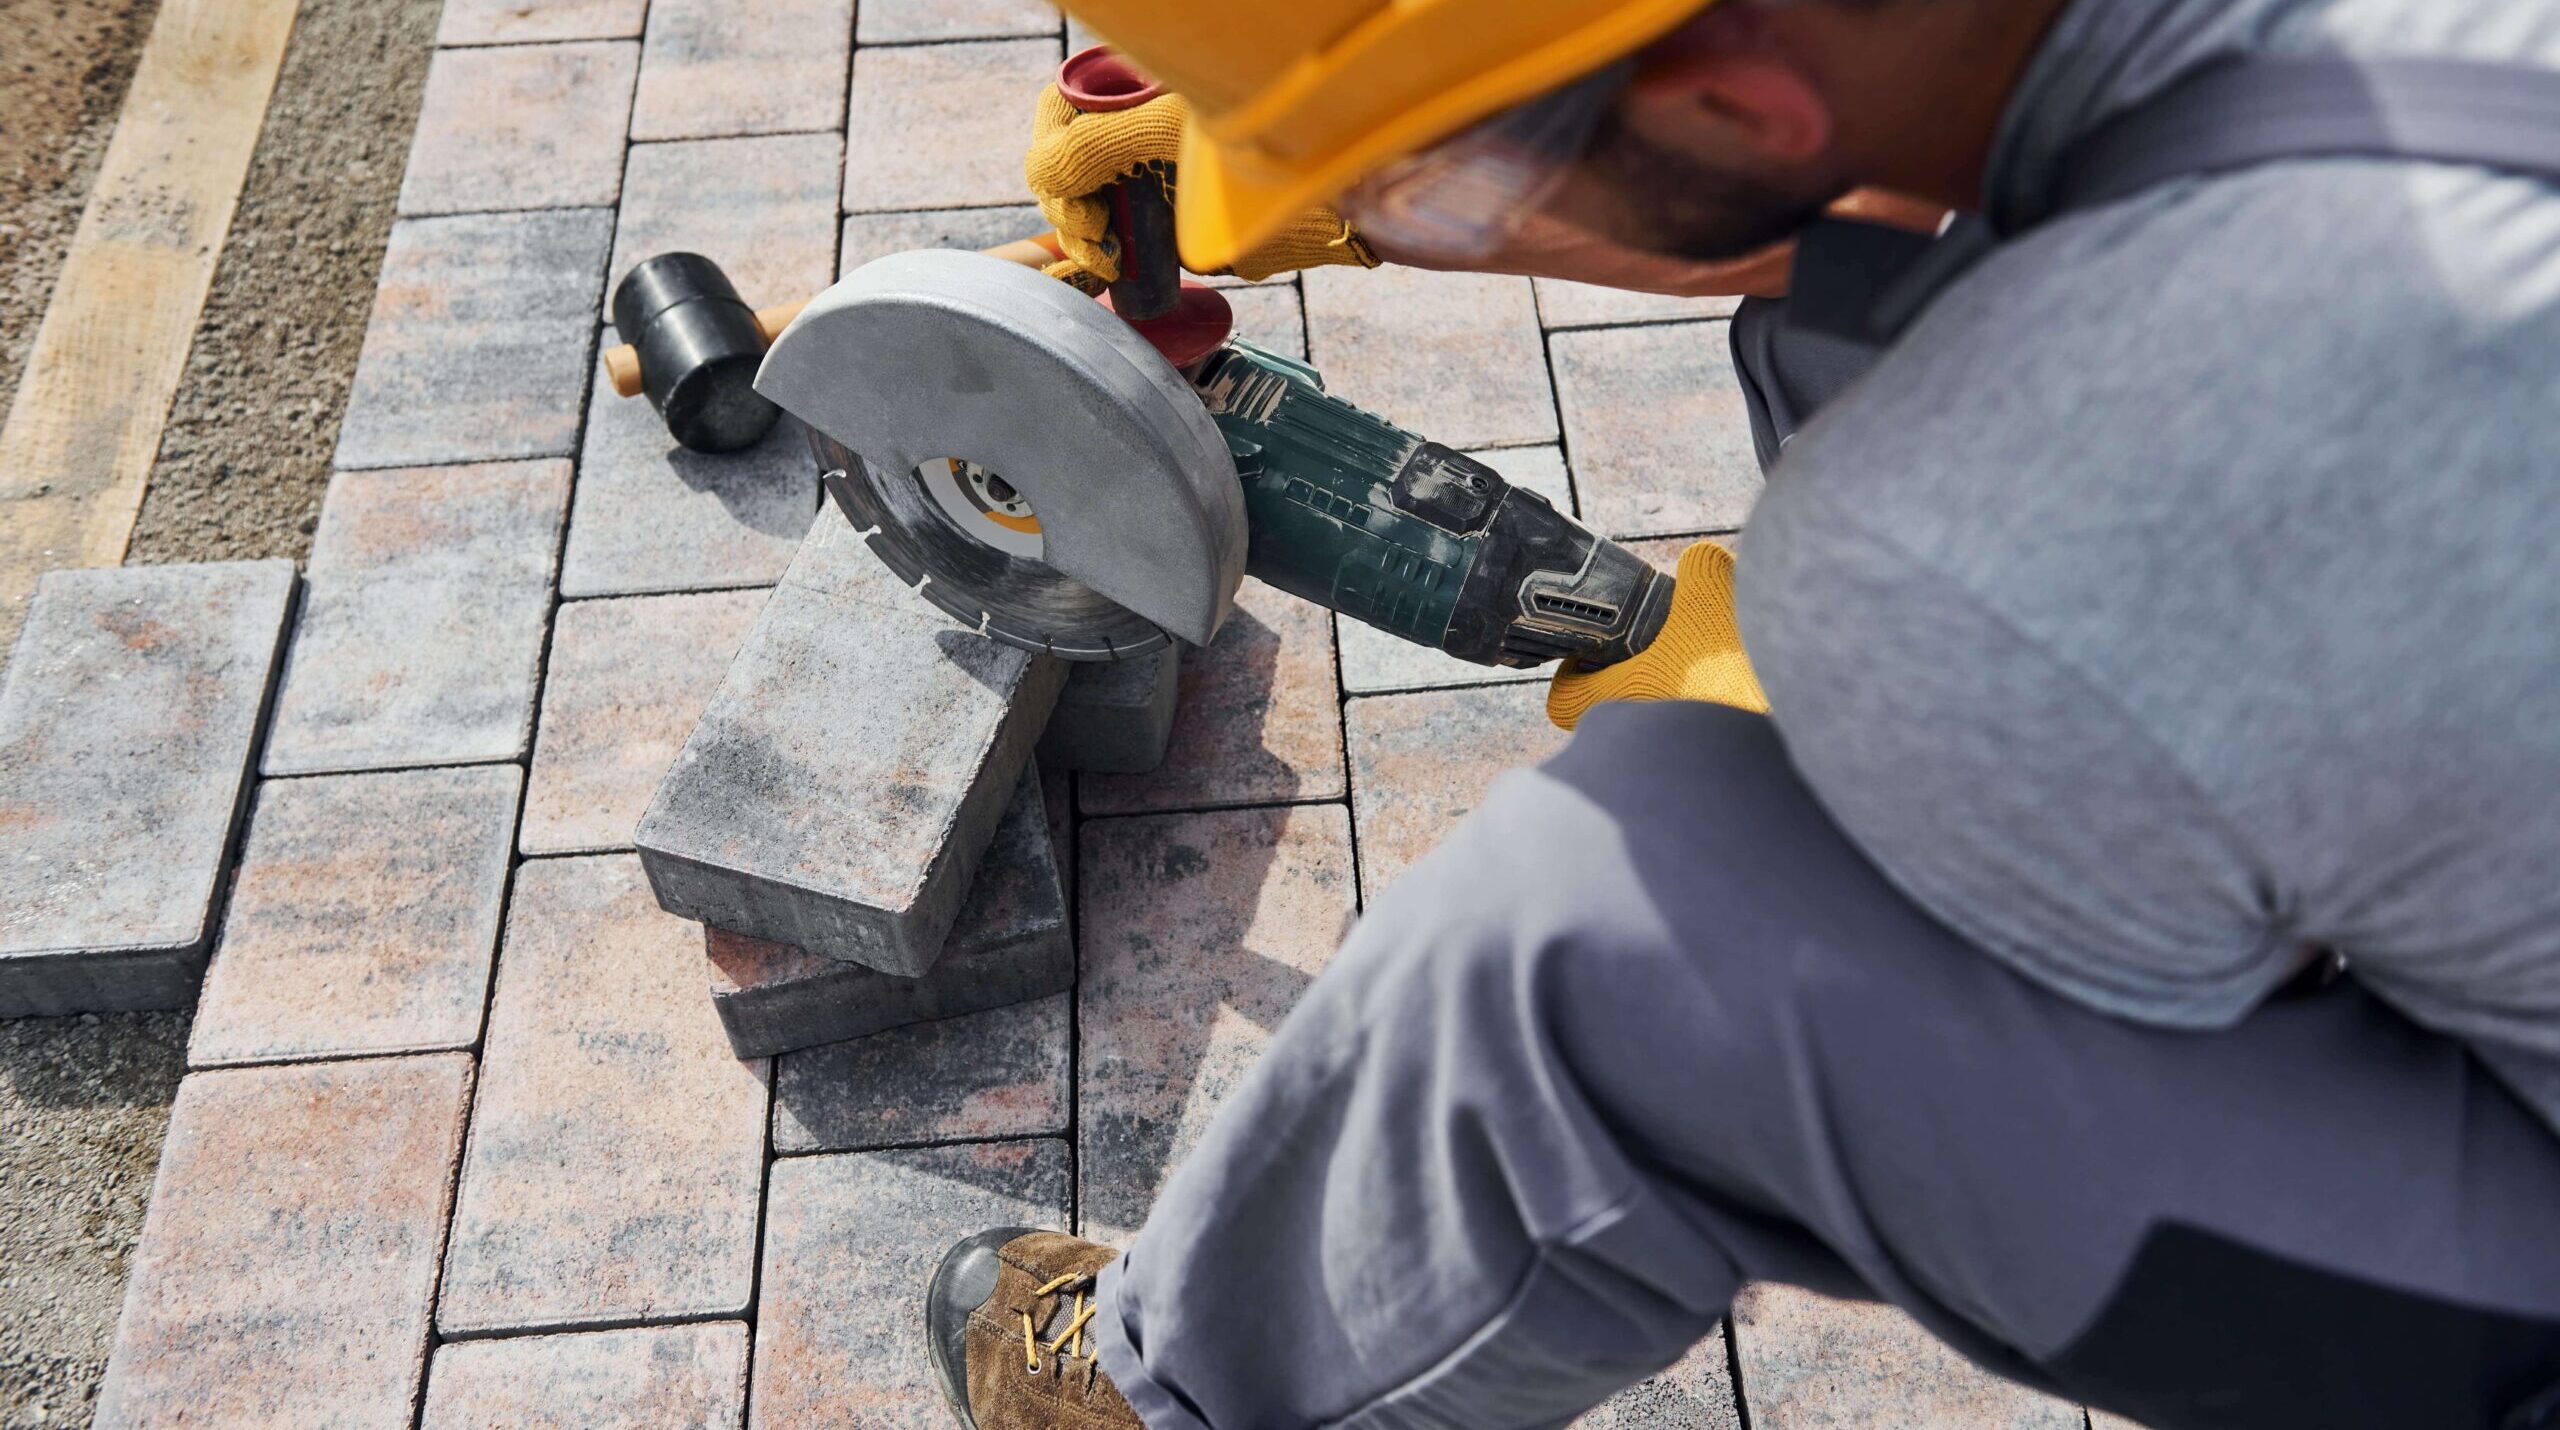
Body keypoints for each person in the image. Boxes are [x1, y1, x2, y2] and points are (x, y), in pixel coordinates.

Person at [924, 1, 2560, 1426]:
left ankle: (1174, 1402)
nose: (1412, 223)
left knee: (1626, 937)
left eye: (1426, 191)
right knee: (1854, 303)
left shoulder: (1989, 533)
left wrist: (1885, 682)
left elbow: (2193, 933)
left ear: (1742, 107)